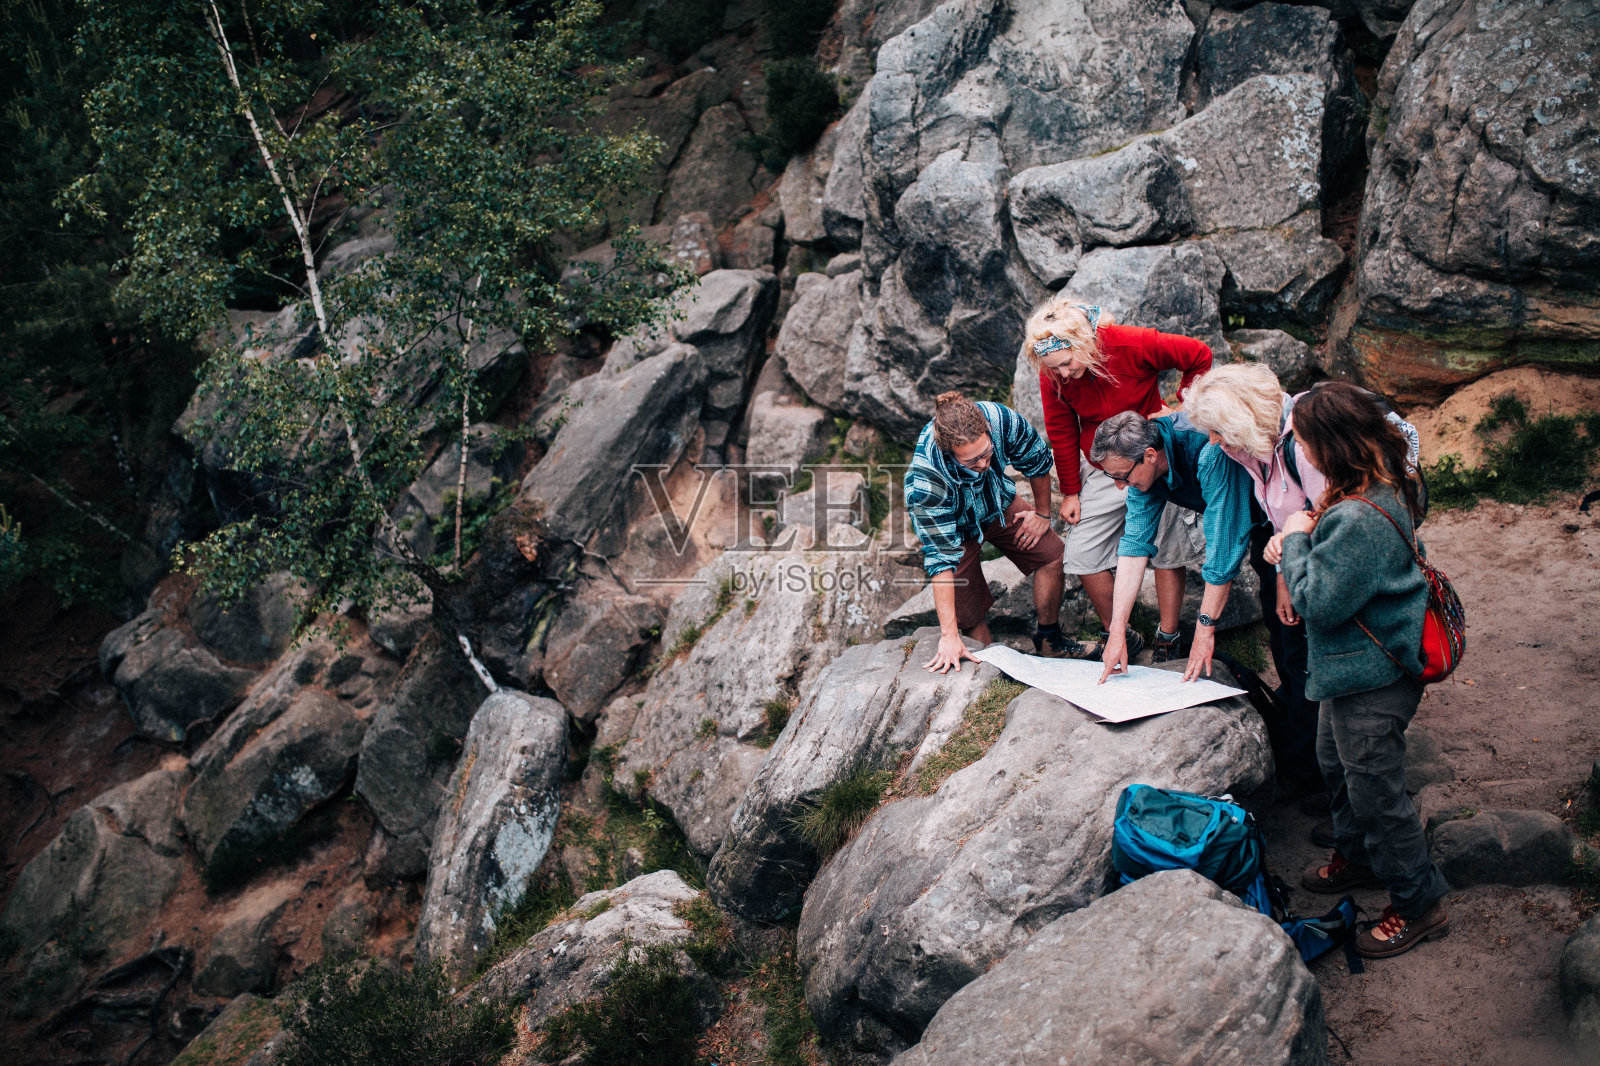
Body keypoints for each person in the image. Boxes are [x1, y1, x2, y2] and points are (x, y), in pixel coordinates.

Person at [1263, 381, 1450, 959]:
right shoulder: (1364, 489)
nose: (1299, 451)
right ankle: (1360, 859)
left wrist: (1294, 541)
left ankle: (1419, 905)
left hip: (1375, 675)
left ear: (1330, 445)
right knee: (1334, 763)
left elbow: (1319, 599)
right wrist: (1306, 531)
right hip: (1348, 669)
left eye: (1303, 441)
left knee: (1375, 792)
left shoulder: (1361, 516)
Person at [1024, 298, 1213, 663]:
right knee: (1082, 553)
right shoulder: (1054, 372)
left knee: (1166, 549)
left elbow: (1199, 355)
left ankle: (1168, 637)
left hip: (1149, 455)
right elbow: (1061, 429)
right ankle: (1119, 632)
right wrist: (1071, 491)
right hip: (1100, 464)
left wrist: (1185, 411)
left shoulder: (1130, 342)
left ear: (1084, 343)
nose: (1062, 374)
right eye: (1053, 369)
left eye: (1067, 363)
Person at [1182, 363, 1326, 794]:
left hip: (1326, 573)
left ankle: (1322, 780)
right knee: (1290, 653)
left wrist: (1290, 562)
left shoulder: (1304, 446)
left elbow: (1333, 517)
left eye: (1217, 431)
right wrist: (1282, 574)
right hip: (1295, 566)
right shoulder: (1248, 448)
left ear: (1240, 420)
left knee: (1309, 665)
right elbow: (1282, 517)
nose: (1211, 442)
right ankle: (1305, 762)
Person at [905, 391, 1069, 673]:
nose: (982, 464)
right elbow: (940, 557)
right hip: (955, 528)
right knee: (968, 615)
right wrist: (948, 635)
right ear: (949, 454)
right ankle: (995, 670)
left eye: (986, 454)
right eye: (971, 462)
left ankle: (1049, 639)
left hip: (997, 504)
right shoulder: (926, 481)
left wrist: (1043, 513)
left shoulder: (1000, 419)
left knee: (1052, 554)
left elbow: (1037, 459)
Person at [1089, 411, 1254, 683]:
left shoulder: (1207, 450)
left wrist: (1205, 629)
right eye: (1112, 477)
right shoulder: (1143, 474)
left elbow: (1222, 551)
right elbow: (1133, 547)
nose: (1120, 486)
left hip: (1272, 512)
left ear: (1151, 456)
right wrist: (1118, 629)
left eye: (1122, 476)